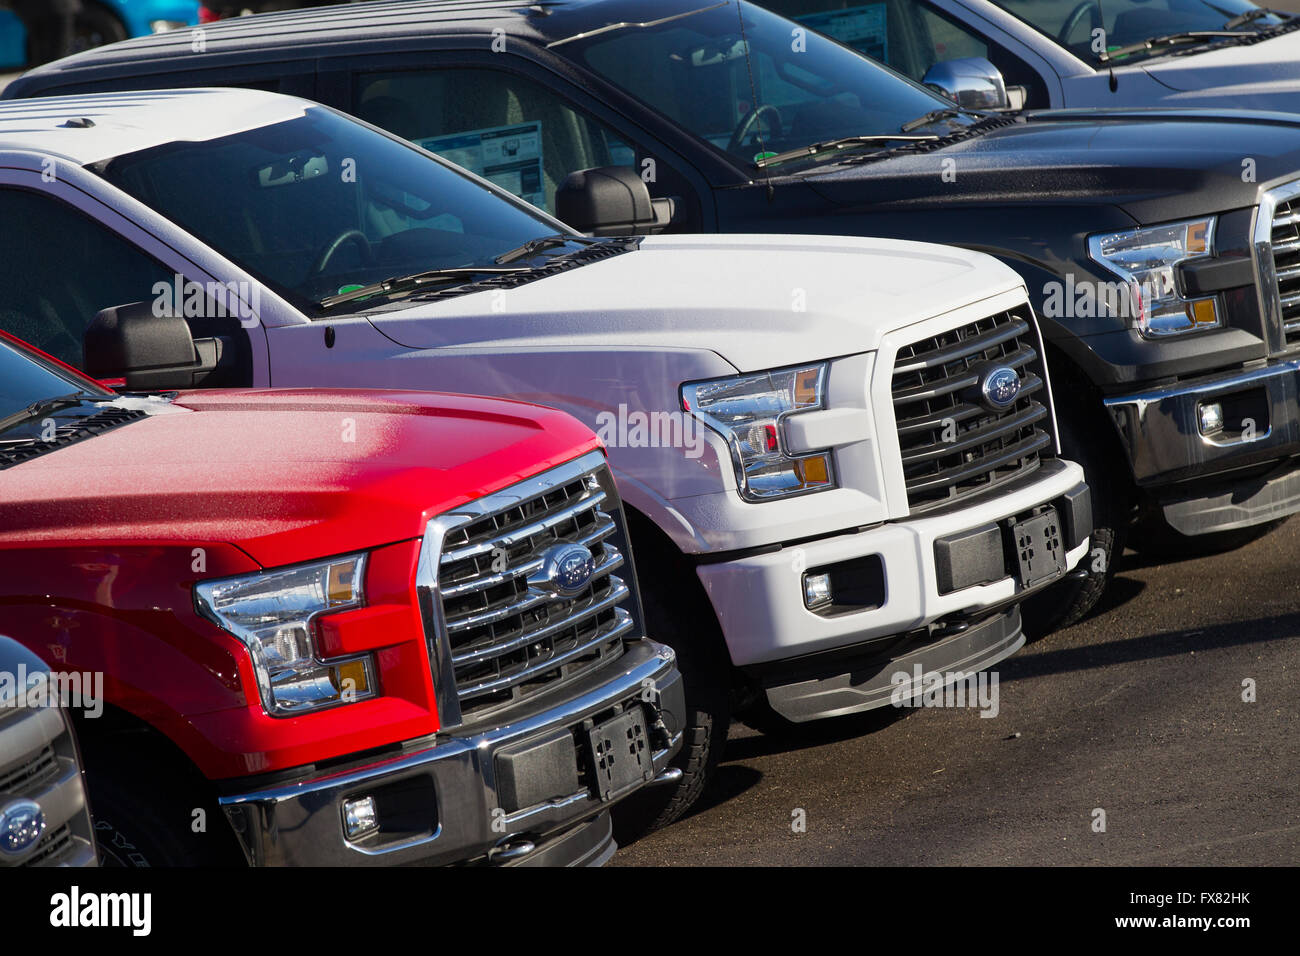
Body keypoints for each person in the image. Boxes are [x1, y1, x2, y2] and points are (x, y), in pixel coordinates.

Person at [9, 0, 84, 66]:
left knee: (40, 49)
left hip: (27, 7)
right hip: (57, 6)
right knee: (58, 50)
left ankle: (42, 76)